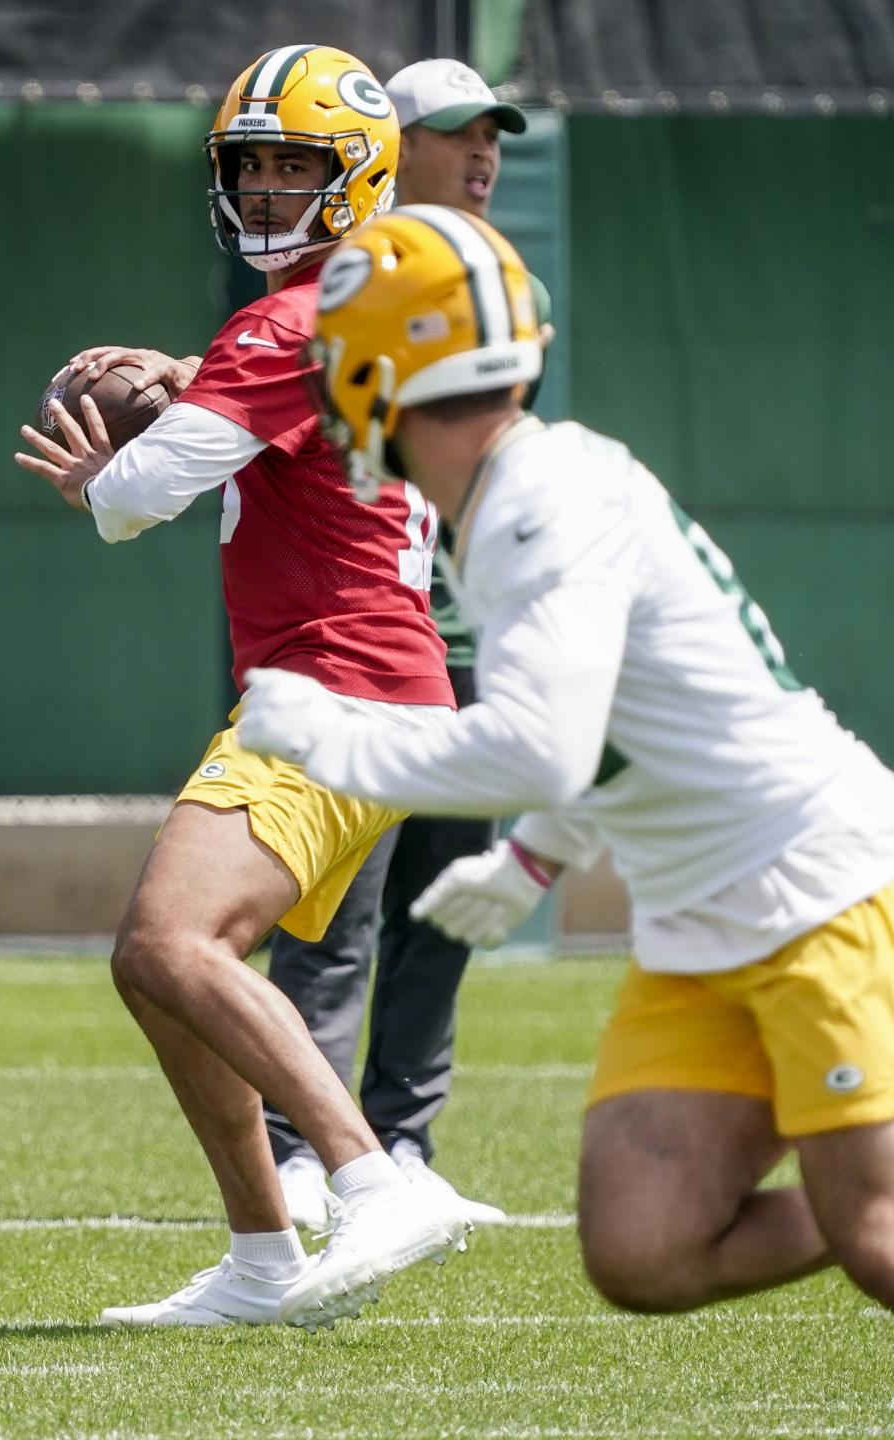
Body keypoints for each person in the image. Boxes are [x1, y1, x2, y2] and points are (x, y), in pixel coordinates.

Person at [237, 205, 894, 1314]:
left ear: (371, 373)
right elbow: (619, 721)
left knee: (877, 1237)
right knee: (647, 1249)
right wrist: (533, 864)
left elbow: (542, 747)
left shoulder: (537, 501)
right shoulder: (515, 491)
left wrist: (329, 733)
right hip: (700, 919)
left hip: (809, 887)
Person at [13, 49, 471, 1333]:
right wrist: (192, 378)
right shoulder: (355, 310)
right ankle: (265, 1256)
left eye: (296, 166)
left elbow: (136, 502)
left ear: (358, 176)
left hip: (340, 683)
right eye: (252, 164)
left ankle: (375, 1178)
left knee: (171, 943)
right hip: (363, 682)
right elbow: (282, 431)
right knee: (153, 965)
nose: (269, 188)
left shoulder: (290, 319)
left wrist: (96, 470)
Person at [265, 58, 531, 1233]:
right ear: (390, 149)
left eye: (494, 137)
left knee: (440, 902)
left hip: (468, 637)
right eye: (454, 133)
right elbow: (275, 399)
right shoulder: (333, 280)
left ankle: (404, 1145)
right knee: (333, 910)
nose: (481, 155)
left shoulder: (490, 277)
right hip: (363, 643)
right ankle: (297, 1154)